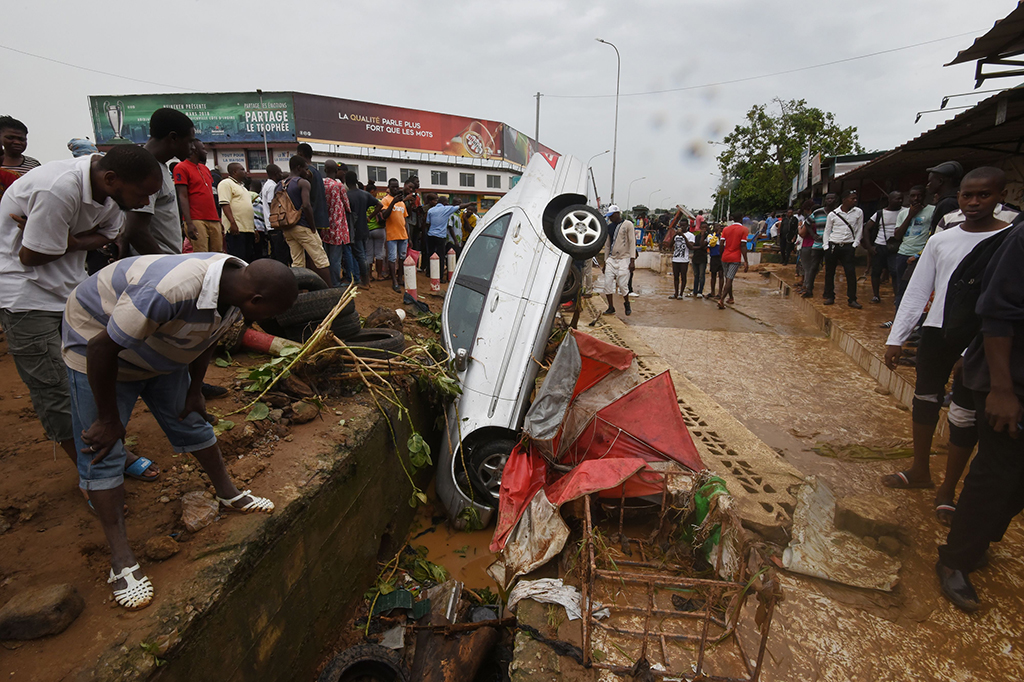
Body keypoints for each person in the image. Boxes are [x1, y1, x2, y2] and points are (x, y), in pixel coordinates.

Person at [62, 253, 298, 610]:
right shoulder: (170, 290)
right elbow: (101, 348)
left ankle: (228, 494)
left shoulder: (235, 288)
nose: (268, 320)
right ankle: (121, 560)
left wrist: (195, 389)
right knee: (103, 449)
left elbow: (208, 337)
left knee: (191, 418)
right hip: (99, 349)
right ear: (255, 300)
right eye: (270, 313)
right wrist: (109, 419)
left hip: (160, 345)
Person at [0, 145, 164, 490]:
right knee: (54, 387)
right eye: (141, 194)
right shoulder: (57, 188)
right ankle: (93, 469)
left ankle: (109, 450)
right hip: (25, 294)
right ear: (111, 179)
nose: (144, 203)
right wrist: (71, 241)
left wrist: (66, 241)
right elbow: (30, 256)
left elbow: (109, 235)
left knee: (88, 377)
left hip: (71, 291)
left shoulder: (111, 194)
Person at [882, 168, 1014, 526]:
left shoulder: (1010, 240)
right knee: (924, 399)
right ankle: (919, 469)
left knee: (964, 413)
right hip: (938, 330)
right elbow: (918, 289)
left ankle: (948, 489)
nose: (974, 203)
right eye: (967, 195)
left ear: (1001, 196)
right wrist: (897, 337)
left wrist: (973, 351)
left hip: (982, 337)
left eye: (984, 195)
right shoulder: (942, 240)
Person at [935, 182, 1024, 613]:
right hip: (1009, 380)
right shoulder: (1019, 240)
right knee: (995, 472)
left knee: (1015, 481)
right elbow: (997, 313)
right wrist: (1003, 389)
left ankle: (983, 537)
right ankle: (956, 559)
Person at [121, 108, 195, 259]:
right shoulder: (144, 169)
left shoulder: (159, 167)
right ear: (173, 137)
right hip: (155, 264)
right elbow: (135, 231)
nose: (193, 147)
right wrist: (164, 264)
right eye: (190, 141)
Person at [283, 155, 332, 285]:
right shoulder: (302, 183)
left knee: (297, 263)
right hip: (303, 226)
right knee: (321, 259)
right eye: (305, 169)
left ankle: (299, 292)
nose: (307, 171)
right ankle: (331, 291)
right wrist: (313, 227)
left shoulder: (281, 184)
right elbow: (306, 205)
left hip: (288, 228)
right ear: (299, 168)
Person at [891, 185, 935, 312]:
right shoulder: (903, 214)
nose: (916, 199)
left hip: (921, 255)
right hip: (903, 253)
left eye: (919, 195)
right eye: (913, 196)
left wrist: (918, 255)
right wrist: (910, 215)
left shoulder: (932, 211)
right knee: (901, 288)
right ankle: (899, 316)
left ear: (924, 196)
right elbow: (897, 235)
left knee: (920, 289)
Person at [174, 141, 221, 253]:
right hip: (196, 219)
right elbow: (182, 196)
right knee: (202, 254)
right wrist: (189, 223)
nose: (205, 152)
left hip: (213, 218)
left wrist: (218, 220)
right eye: (203, 149)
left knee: (218, 255)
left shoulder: (205, 169)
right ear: (194, 149)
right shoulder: (181, 167)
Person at [822, 190, 864, 308]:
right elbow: (827, 230)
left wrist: (855, 244)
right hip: (833, 245)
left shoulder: (858, 212)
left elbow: (859, 229)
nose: (855, 200)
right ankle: (830, 296)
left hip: (848, 246)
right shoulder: (833, 214)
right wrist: (826, 246)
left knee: (850, 273)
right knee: (830, 272)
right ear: (844, 200)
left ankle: (852, 299)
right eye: (852, 198)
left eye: (855, 198)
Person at [863, 191, 904, 304]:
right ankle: (876, 295)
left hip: (897, 246)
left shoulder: (905, 212)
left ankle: (897, 297)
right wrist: (869, 247)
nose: (900, 201)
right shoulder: (880, 213)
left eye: (901, 198)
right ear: (890, 200)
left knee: (895, 272)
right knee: (876, 271)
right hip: (880, 245)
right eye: (897, 199)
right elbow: (867, 228)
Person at [425, 193, 474, 283]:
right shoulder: (446, 209)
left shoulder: (431, 210)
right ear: (444, 203)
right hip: (440, 236)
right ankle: (440, 277)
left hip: (431, 235)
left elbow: (428, 223)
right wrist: (470, 203)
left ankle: (429, 272)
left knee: (431, 254)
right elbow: (460, 206)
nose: (448, 204)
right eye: (447, 202)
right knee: (441, 256)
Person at [345, 170, 380, 288]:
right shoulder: (365, 194)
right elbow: (379, 205)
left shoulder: (347, 196)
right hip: (365, 228)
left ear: (346, 182)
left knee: (360, 255)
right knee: (363, 254)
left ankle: (365, 281)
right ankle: (365, 280)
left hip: (354, 229)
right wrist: (370, 217)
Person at [600, 205, 637, 316]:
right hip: (612, 258)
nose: (610, 218)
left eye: (611, 216)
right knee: (607, 283)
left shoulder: (628, 225)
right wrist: (605, 262)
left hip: (624, 258)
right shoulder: (609, 227)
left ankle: (627, 303)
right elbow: (607, 245)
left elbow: (632, 242)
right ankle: (611, 307)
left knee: (622, 284)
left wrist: (632, 260)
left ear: (617, 214)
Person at [320, 160, 352, 287]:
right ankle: (335, 283)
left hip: (324, 227)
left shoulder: (320, 184)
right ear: (335, 171)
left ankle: (326, 282)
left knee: (325, 258)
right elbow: (348, 207)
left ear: (325, 170)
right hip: (337, 227)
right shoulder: (338, 186)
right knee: (335, 259)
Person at [218, 162, 257, 262]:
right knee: (238, 259)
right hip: (236, 229)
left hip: (248, 229)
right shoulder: (226, 183)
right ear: (234, 172)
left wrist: (254, 228)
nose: (245, 172)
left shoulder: (243, 188)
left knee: (248, 259)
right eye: (242, 169)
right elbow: (224, 204)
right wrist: (232, 223)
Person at [800, 193, 837, 298]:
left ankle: (828, 292)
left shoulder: (838, 213)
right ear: (825, 200)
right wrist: (813, 235)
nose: (830, 200)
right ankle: (809, 290)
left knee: (830, 269)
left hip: (832, 244)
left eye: (832, 198)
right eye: (828, 198)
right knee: (813, 267)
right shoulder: (818, 213)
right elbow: (807, 223)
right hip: (818, 244)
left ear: (836, 200)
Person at [379, 178, 410, 292]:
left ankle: (400, 278)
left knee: (402, 258)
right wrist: (393, 202)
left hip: (403, 235)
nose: (396, 189)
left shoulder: (402, 203)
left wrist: (409, 237)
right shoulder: (385, 200)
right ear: (389, 187)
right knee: (392, 258)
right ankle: (394, 281)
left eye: (397, 186)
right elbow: (384, 215)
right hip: (392, 235)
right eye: (393, 187)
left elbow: (405, 220)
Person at [295, 143, 329, 234]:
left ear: (300, 154)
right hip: (319, 217)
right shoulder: (316, 172)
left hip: (310, 219)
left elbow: (305, 201)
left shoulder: (306, 172)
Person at [717, 215, 749, 310]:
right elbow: (743, 245)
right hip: (735, 258)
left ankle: (731, 298)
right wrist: (746, 261)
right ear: (741, 219)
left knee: (728, 278)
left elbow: (721, 244)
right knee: (729, 279)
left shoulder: (726, 229)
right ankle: (722, 300)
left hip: (725, 257)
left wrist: (721, 255)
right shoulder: (744, 230)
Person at [261, 164, 290, 265]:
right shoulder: (272, 186)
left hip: (272, 226)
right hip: (275, 226)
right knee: (281, 255)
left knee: (275, 253)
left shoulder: (268, 184)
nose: (281, 175)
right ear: (275, 173)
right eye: (279, 173)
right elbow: (273, 205)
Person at [926, 160, 964, 233]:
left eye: (930, 181)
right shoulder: (949, 200)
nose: (928, 185)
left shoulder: (948, 203)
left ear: (940, 181)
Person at [668, 214, 695, 299]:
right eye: (681, 226)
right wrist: (675, 235)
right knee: (676, 277)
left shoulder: (690, 235)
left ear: (687, 226)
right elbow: (669, 246)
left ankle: (681, 293)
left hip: (684, 260)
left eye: (684, 226)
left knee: (683, 277)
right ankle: (676, 293)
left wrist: (683, 236)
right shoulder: (676, 235)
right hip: (675, 259)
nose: (682, 227)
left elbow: (691, 247)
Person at [690, 221, 709, 298]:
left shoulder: (708, 237)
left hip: (703, 258)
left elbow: (702, 245)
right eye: (703, 227)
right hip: (696, 257)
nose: (704, 229)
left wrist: (703, 236)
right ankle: (695, 290)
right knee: (696, 275)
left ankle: (700, 291)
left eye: (705, 228)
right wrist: (699, 247)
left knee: (701, 275)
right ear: (700, 228)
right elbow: (693, 246)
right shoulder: (697, 236)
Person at [707, 224, 724, 299]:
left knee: (721, 275)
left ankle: (720, 293)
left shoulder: (723, 236)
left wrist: (720, 236)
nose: (718, 228)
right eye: (717, 227)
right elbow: (711, 243)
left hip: (722, 257)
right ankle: (712, 292)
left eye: (720, 227)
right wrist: (717, 235)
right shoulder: (710, 236)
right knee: (713, 275)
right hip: (714, 257)